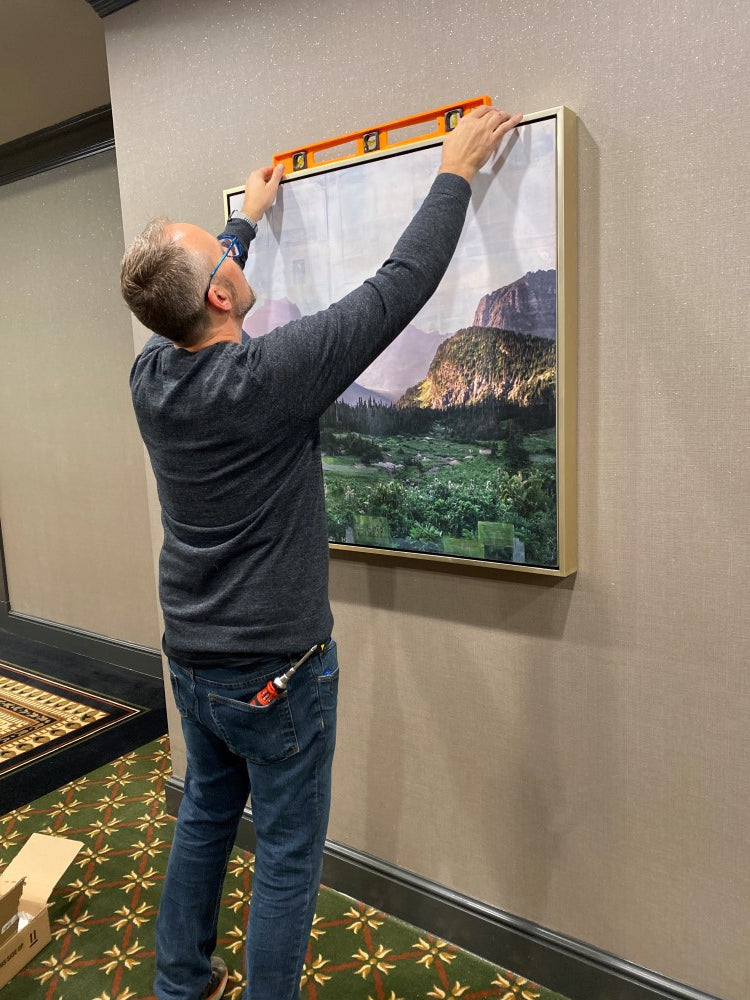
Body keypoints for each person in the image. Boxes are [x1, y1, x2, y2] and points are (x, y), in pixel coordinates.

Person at [121, 103, 522, 1000]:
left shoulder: (151, 376)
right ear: (221, 294)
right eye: (222, 259)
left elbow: (189, 294)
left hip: (192, 659)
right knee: (291, 857)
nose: (228, 258)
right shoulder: (268, 378)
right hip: (276, 672)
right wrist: (454, 168)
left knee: (204, 818)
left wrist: (243, 222)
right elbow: (398, 286)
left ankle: (181, 982)